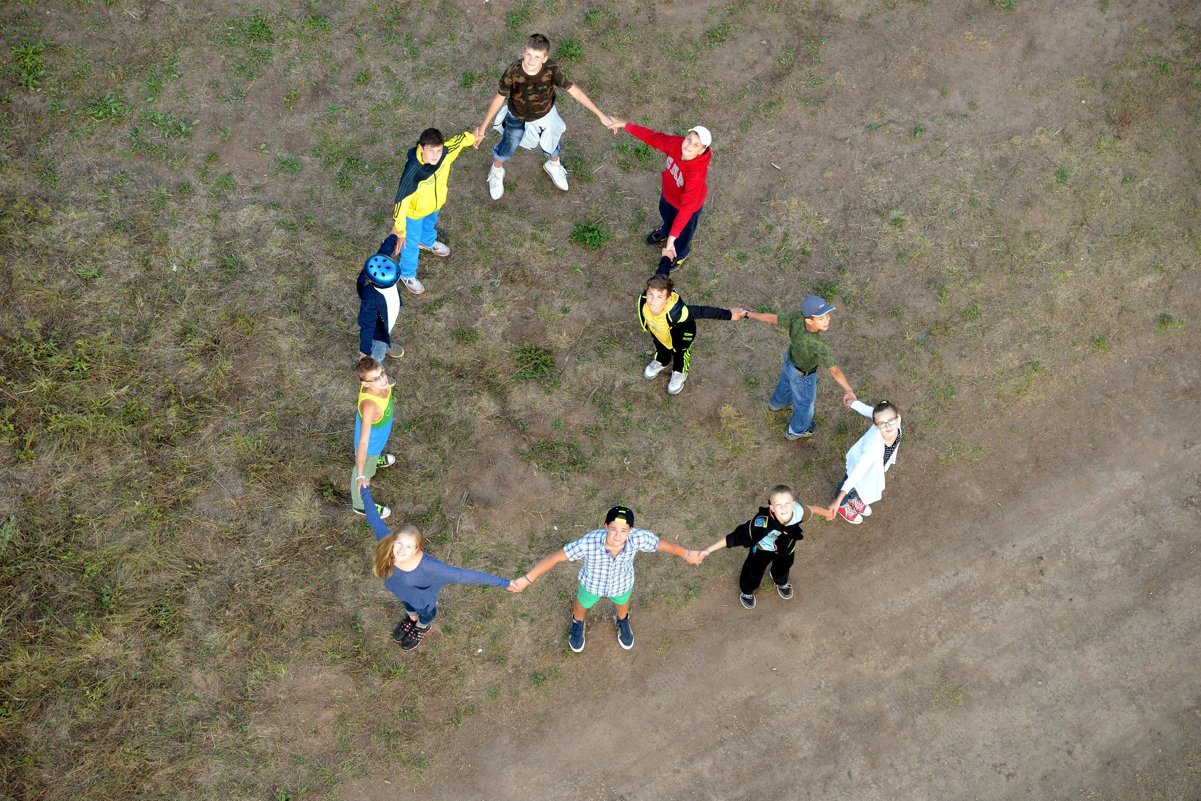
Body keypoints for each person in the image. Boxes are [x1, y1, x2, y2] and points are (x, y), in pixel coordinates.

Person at [510, 506, 702, 652]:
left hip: (621, 584)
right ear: (605, 527)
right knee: (580, 606)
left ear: (631, 530)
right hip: (591, 585)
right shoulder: (589, 542)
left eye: (624, 530)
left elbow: (663, 545)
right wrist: (527, 579)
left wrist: (686, 554)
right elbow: (555, 558)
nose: (618, 535)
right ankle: (578, 623)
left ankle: (622, 620)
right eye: (613, 529)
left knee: (622, 605)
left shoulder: (638, 538)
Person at [359, 484, 522, 651]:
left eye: (408, 547)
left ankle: (422, 626)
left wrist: (505, 583)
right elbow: (374, 518)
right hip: (402, 593)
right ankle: (412, 619)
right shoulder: (387, 545)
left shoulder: (431, 568)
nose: (400, 550)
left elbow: (465, 576)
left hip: (424, 603)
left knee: (425, 615)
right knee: (408, 606)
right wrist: (364, 490)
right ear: (393, 540)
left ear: (417, 549)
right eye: (399, 543)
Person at [472, 33, 611, 200]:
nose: (531, 60)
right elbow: (499, 97)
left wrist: (600, 114)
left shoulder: (551, 69)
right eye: (529, 54)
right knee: (508, 145)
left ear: (545, 58)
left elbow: (573, 90)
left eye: (537, 57)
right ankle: (496, 170)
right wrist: (482, 128)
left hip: (546, 114)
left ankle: (553, 165)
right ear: (523, 52)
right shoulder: (513, 71)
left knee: (552, 140)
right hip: (517, 116)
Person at [698, 485, 834, 609]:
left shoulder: (798, 511)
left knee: (784, 565)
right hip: (763, 549)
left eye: (787, 503)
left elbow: (813, 509)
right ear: (772, 508)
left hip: (786, 547)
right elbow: (734, 537)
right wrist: (708, 550)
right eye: (778, 505)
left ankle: (780, 579)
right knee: (753, 570)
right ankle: (747, 591)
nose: (783, 508)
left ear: (793, 503)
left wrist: (828, 513)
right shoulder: (761, 523)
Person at [743, 295, 856, 440]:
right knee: (805, 403)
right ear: (809, 320)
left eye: (827, 315)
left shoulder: (797, 317)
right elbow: (834, 370)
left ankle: (777, 404)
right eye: (821, 318)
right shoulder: (818, 346)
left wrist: (748, 314)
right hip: (804, 375)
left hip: (790, 360)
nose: (827, 320)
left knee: (786, 382)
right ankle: (797, 430)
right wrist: (848, 389)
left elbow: (773, 318)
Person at [606, 118, 712, 271]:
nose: (688, 145)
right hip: (669, 194)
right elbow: (652, 138)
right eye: (689, 139)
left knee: (682, 233)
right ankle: (665, 232)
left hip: (687, 207)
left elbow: (687, 208)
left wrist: (673, 237)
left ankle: (681, 253)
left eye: (696, 145)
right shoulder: (676, 144)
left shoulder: (696, 173)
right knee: (666, 216)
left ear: (702, 150)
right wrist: (625, 125)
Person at [389, 127, 476, 295]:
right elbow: (400, 203)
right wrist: (400, 230)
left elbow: (458, 142)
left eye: (438, 150)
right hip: (414, 213)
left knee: (430, 224)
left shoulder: (444, 154)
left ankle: (427, 241)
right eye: (431, 151)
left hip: (434, 204)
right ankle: (407, 273)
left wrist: (473, 137)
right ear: (421, 148)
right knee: (410, 244)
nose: (436, 155)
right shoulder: (413, 172)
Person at [637, 271, 746, 396]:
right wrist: (667, 256)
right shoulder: (645, 301)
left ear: (667, 299)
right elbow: (662, 271)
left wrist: (729, 314)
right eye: (650, 294)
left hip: (681, 334)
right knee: (661, 346)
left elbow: (703, 311)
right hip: (659, 331)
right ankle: (662, 360)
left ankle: (679, 371)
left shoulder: (678, 312)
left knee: (680, 352)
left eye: (659, 297)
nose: (652, 301)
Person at [821, 400, 903, 525]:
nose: (888, 426)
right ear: (876, 425)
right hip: (859, 465)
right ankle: (843, 504)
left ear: (897, 417)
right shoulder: (873, 448)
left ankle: (853, 498)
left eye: (891, 421)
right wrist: (837, 501)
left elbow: (872, 412)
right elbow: (856, 475)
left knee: (862, 485)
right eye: (882, 424)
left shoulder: (895, 421)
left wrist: (854, 404)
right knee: (850, 482)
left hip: (875, 466)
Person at [351, 357, 396, 519]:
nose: (383, 379)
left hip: (379, 437)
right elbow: (363, 441)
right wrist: (361, 475)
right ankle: (359, 504)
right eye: (375, 379)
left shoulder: (380, 383)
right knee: (364, 469)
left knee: (374, 457)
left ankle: (375, 460)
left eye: (382, 373)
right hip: (369, 447)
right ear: (365, 384)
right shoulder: (370, 406)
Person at [356, 237, 404, 364]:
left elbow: (384, 252)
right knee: (376, 357)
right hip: (376, 336)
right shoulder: (371, 297)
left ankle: (386, 344)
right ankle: (379, 370)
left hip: (386, 319)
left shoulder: (379, 267)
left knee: (387, 331)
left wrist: (394, 237)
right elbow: (367, 325)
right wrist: (365, 351)